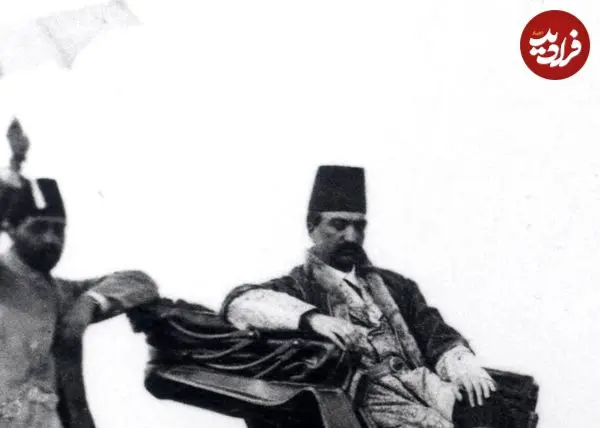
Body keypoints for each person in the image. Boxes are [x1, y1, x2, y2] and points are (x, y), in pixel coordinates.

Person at [221, 165, 504, 428]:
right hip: (362, 403)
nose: (352, 236)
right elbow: (239, 302)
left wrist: (463, 367)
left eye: (359, 226)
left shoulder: (398, 286)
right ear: (311, 227)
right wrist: (313, 319)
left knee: (496, 405)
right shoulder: (298, 287)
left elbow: (434, 332)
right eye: (339, 225)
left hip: (425, 387)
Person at [0, 119, 160, 428]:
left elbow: (140, 281)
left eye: (59, 229)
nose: (51, 239)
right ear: (11, 229)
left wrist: (87, 305)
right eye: (39, 227)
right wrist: (15, 167)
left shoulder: (60, 295)